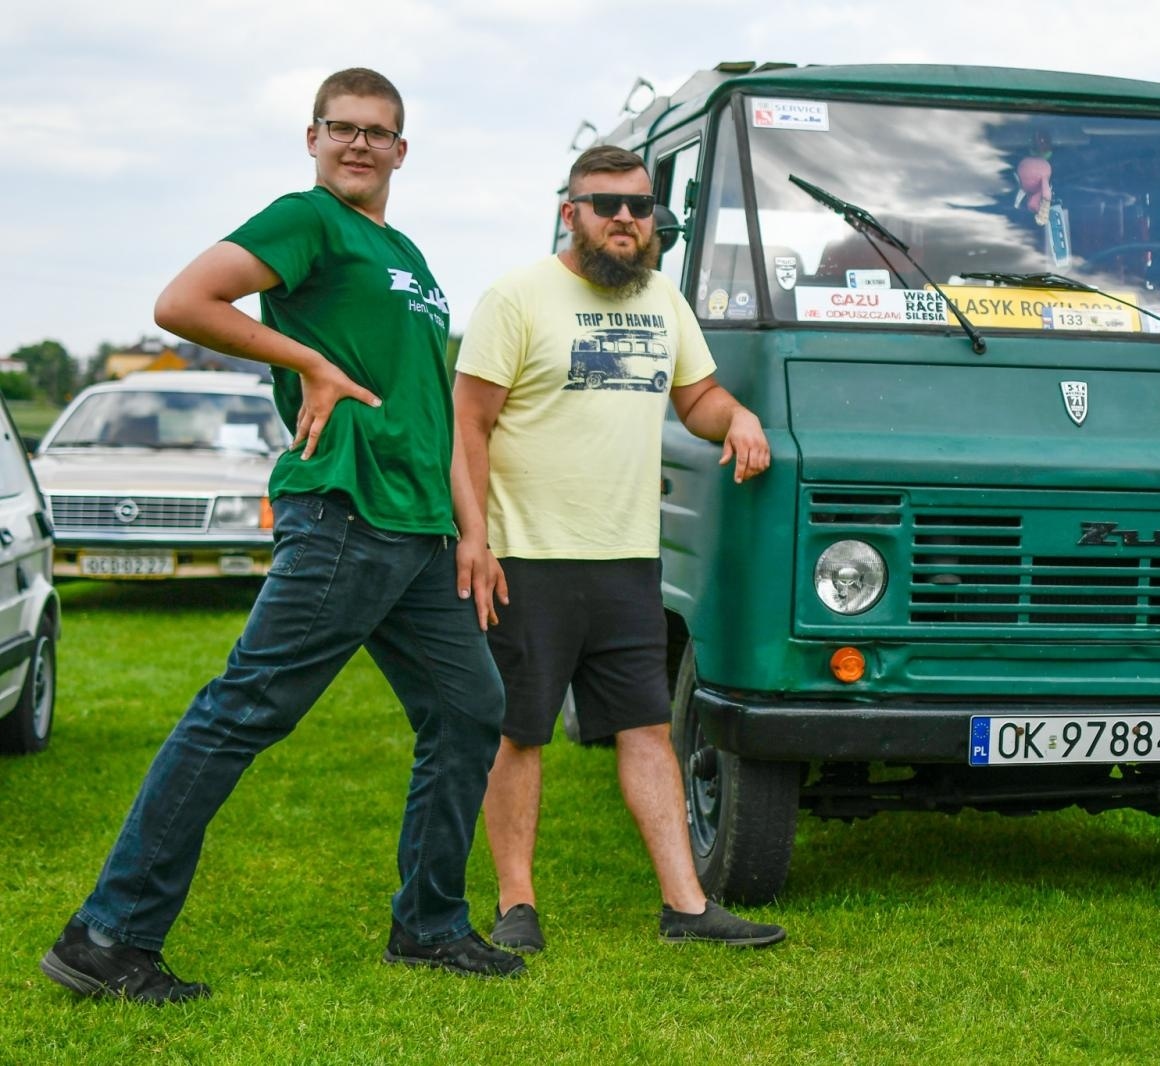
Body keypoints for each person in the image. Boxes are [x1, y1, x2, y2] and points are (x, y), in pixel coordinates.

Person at [39, 68, 525, 1003]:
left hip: (419, 531)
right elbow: (183, 302)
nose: (357, 144)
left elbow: (432, 414)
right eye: (339, 128)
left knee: (471, 709)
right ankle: (109, 935)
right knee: (240, 713)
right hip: (343, 511)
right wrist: (308, 361)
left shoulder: (410, 258)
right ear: (312, 139)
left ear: (401, 149)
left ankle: (428, 925)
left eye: (376, 132)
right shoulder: (306, 221)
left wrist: (475, 532)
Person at [454, 145, 785, 951]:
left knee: (644, 726)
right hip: (527, 557)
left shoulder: (663, 301)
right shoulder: (517, 297)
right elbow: (468, 424)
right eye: (607, 205)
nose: (627, 220)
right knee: (519, 730)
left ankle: (685, 906)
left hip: (629, 557)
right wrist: (475, 538)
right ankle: (516, 905)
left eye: (641, 207)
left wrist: (736, 417)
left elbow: (697, 395)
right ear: (572, 212)